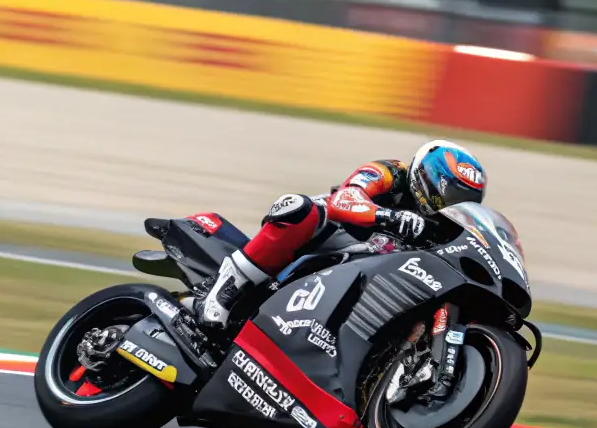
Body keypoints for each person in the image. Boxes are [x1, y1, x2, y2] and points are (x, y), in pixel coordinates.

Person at [194, 139, 487, 328]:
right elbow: (344, 199)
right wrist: (389, 216)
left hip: (363, 279)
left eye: (458, 204)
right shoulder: (390, 173)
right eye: (445, 197)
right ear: (426, 178)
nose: (446, 208)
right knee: (302, 208)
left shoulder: (442, 228)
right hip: (330, 238)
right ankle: (227, 288)